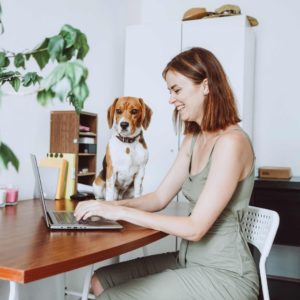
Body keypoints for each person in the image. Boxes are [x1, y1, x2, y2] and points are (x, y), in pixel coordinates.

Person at [74, 47, 259, 300]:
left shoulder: (231, 143)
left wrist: (120, 212)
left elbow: (195, 228)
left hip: (225, 274)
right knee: (100, 279)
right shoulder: (194, 138)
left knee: (110, 296)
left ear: (205, 86)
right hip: (187, 259)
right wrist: (106, 205)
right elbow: (159, 198)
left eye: (177, 90)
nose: (171, 99)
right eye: (170, 91)